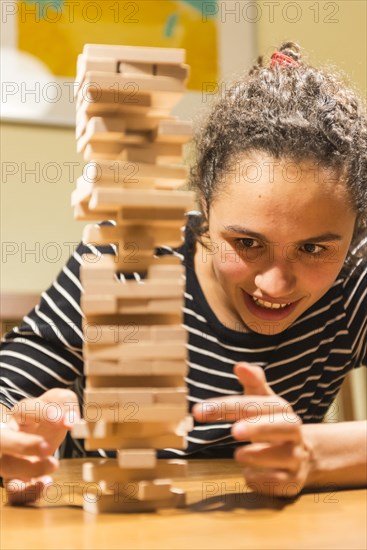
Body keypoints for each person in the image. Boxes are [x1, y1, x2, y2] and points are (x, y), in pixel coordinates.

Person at [1, 42, 366, 503]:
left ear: (356, 232)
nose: (274, 284)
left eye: (314, 249)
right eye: (247, 243)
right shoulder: (131, 253)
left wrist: (313, 453)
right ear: (206, 209)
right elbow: (10, 382)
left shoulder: (354, 282)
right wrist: (19, 436)